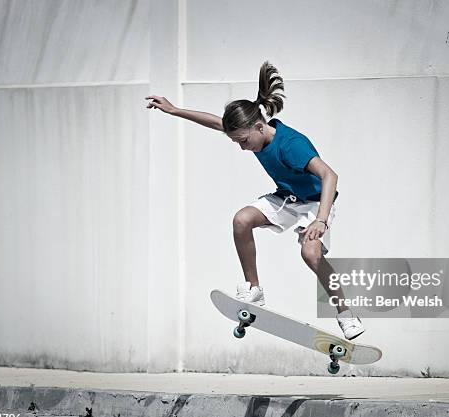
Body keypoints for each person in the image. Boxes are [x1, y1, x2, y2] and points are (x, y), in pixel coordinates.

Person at [145, 61, 365, 340]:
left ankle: (346, 313)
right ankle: (254, 288)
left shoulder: (291, 145)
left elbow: (329, 175)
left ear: (259, 127)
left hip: (314, 203)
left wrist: (321, 220)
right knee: (242, 220)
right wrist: (174, 110)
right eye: (236, 141)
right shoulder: (252, 130)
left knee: (310, 254)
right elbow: (215, 122)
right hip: (286, 199)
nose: (242, 147)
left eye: (244, 141)